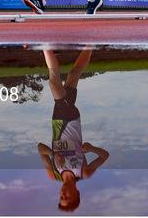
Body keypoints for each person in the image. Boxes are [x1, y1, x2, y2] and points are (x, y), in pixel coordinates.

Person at [38, 48, 109, 212]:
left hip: (57, 119)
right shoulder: (84, 172)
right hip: (71, 119)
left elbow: (40, 148)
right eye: (67, 197)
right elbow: (105, 156)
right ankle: (44, 43)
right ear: (77, 194)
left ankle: (90, 45)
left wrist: (53, 154)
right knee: (54, 83)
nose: (62, 194)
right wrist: (91, 148)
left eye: (60, 198)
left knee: (73, 75)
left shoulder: (53, 174)